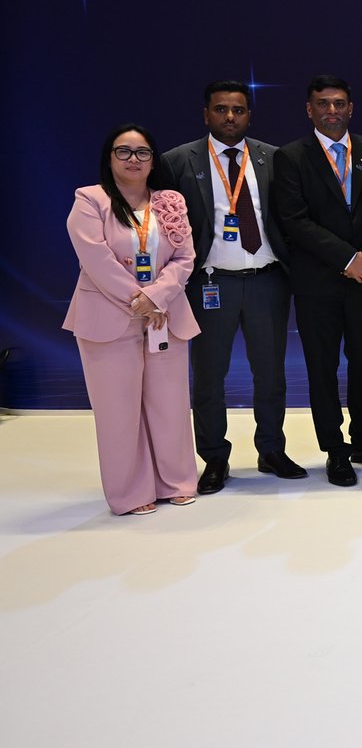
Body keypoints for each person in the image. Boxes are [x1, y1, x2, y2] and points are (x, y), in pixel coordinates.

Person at [271, 76, 362, 488]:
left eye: (339, 103)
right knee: (322, 368)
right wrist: (347, 258)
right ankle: (335, 450)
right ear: (309, 109)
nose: (332, 111)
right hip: (318, 283)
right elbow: (294, 221)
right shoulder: (290, 157)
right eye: (323, 103)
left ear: (351, 108)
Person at [163, 80, 299, 494]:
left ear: (249, 116)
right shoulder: (178, 161)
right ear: (206, 114)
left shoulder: (273, 157)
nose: (229, 117)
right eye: (221, 109)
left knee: (270, 373)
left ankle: (271, 450)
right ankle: (214, 458)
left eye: (238, 110)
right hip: (211, 284)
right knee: (209, 375)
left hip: (267, 280)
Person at [65, 126, 200, 516]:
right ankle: (130, 492)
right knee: (118, 412)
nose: (133, 159)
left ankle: (177, 481)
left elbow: (184, 258)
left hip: (165, 316)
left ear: (153, 160)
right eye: (123, 151)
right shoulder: (90, 200)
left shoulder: (169, 201)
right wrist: (139, 299)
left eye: (142, 152)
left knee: (170, 405)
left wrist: (156, 296)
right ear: (109, 158)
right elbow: (96, 259)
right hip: (109, 319)